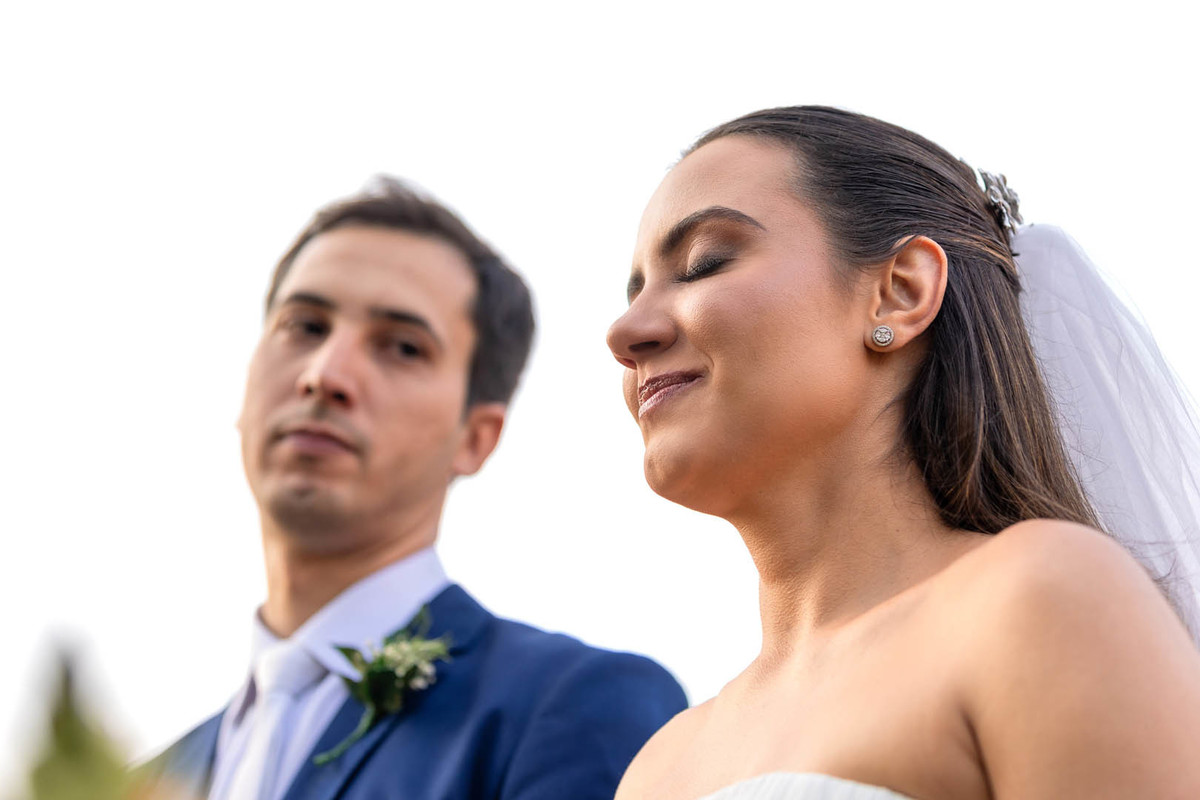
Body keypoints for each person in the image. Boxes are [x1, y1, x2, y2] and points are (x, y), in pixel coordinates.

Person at [605, 106, 1200, 799]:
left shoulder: (1039, 599)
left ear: (900, 292)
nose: (625, 331)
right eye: (634, 291)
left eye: (701, 264)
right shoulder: (659, 767)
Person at [138, 177, 688, 800]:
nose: (325, 376)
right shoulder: (141, 783)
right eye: (305, 326)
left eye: (402, 346)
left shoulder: (575, 705)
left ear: (475, 438)